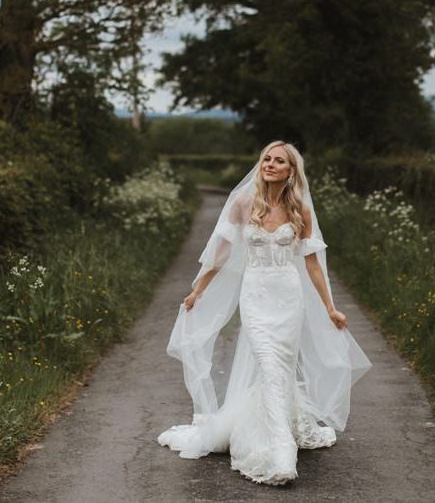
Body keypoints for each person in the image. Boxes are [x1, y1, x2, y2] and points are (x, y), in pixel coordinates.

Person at [157, 140, 372, 485]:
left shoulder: (300, 208)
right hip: (256, 297)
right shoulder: (243, 203)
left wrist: (330, 306)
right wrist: (198, 288)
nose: (270, 164)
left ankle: (285, 425)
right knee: (269, 364)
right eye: (266, 159)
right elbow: (221, 254)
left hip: (288, 298)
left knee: (280, 369)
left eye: (279, 161)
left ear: (290, 171)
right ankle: (281, 451)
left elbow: (313, 264)